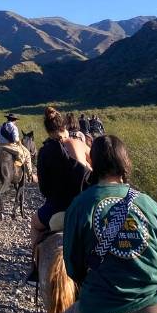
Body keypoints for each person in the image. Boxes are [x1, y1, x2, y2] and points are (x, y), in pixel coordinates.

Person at [51, 135, 157, 313]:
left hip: (98, 306)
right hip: (155, 303)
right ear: (125, 162)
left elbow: (74, 269)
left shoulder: (80, 205)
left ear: (92, 162)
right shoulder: (150, 205)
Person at [29, 107, 91, 281]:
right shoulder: (78, 144)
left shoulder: (44, 152)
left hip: (56, 207)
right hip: (82, 206)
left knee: (34, 224)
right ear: (65, 125)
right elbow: (93, 174)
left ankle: (35, 266)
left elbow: (44, 190)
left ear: (47, 130)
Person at [0, 113, 34, 177]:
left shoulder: (0, 126)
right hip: (11, 146)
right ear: (15, 120)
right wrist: (19, 142)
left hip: (0, 146)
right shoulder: (14, 127)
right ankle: (29, 174)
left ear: (7, 119)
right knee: (27, 154)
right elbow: (15, 139)